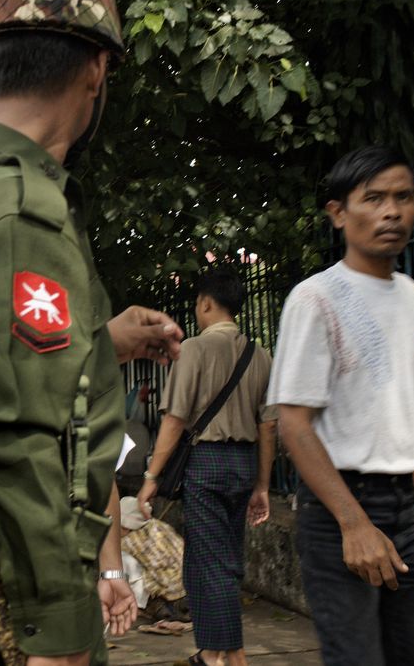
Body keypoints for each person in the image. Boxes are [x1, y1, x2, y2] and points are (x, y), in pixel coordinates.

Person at [0, 0, 185, 662]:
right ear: (96, 71)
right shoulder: (23, 209)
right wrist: (58, 633)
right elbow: (11, 436)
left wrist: (101, 342)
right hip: (12, 604)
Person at [267, 146, 414, 665]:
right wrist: (354, 524)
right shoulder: (315, 298)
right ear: (338, 213)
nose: (392, 212)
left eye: (403, 197)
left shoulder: (412, 296)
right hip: (341, 506)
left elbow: (403, 412)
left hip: (407, 507)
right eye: (374, 199)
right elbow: (293, 425)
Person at [137, 267, 277, 666]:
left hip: (207, 463)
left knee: (209, 563)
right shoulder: (261, 355)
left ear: (205, 303)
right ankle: (213, 651)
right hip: (244, 463)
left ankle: (230, 656)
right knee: (220, 560)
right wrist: (262, 485)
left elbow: (174, 419)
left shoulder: (194, 349)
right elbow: (268, 425)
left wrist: (151, 478)